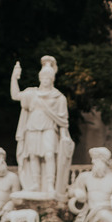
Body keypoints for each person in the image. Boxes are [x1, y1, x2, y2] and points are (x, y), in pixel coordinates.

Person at [10, 56, 73, 196]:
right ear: (40, 78)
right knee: (33, 156)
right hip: (32, 127)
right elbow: (15, 95)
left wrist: (64, 137)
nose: (45, 80)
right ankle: (36, 184)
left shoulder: (59, 97)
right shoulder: (32, 93)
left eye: (48, 78)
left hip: (49, 128)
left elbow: (63, 121)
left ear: (52, 79)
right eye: (43, 78)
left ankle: (50, 185)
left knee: (49, 155)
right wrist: (14, 78)